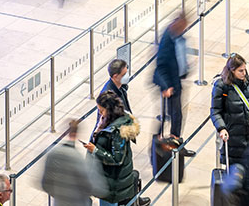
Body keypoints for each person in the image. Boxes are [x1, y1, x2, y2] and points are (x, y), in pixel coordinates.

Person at [83, 91, 149, 206]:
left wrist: (95, 150)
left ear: (109, 110)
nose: (100, 113)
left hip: (113, 183)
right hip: (108, 178)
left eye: (102, 110)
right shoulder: (106, 121)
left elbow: (117, 159)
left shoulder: (117, 131)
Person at [211, 54, 249, 167]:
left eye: (245, 70)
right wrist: (222, 128)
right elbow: (215, 111)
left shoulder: (248, 83)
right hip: (233, 138)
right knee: (235, 172)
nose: (244, 73)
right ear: (232, 70)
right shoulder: (221, 86)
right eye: (240, 71)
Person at [153, 13, 195, 156]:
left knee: (176, 115)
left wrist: (185, 68)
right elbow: (161, 66)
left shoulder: (178, 36)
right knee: (169, 115)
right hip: (169, 84)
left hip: (176, 81)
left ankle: (175, 144)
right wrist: (166, 86)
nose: (184, 29)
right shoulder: (167, 39)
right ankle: (158, 148)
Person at [41, 119, 106, 206]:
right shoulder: (79, 159)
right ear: (75, 134)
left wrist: (60, 195)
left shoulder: (52, 154)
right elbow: (97, 187)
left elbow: (45, 184)